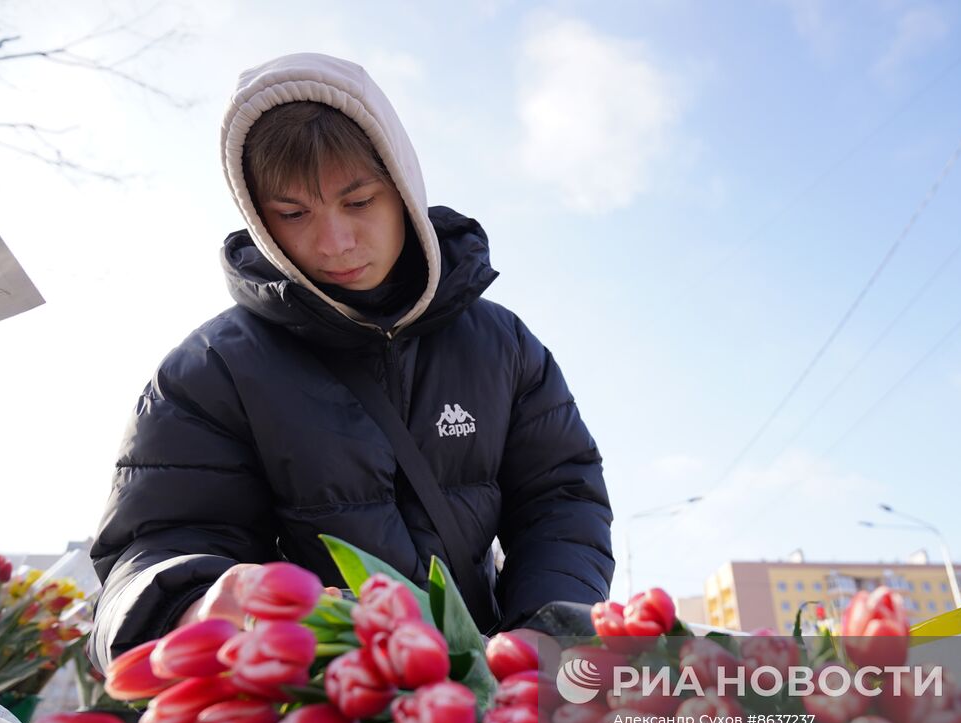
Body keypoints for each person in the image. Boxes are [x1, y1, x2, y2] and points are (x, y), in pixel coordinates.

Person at [86, 53, 614, 671]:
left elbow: (562, 500)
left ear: (405, 189)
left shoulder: (503, 347)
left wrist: (546, 632)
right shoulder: (209, 372)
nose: (334, 242)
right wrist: (197, 609)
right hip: (313, 713)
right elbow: (154, 547)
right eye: (292, 214)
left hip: (493, 698)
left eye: (359, 201)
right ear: (258, 219)